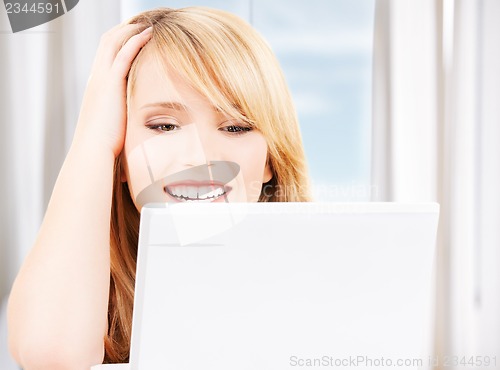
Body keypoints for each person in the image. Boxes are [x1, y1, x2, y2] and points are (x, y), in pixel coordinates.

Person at [7, 6, 310, 369]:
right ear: (119, 156)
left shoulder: (319, 285)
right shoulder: (79, 290)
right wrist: (94, 140)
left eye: (235, 127)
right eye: (164, 126)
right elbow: (53, 357)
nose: (200, 158)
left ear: (269, 162)